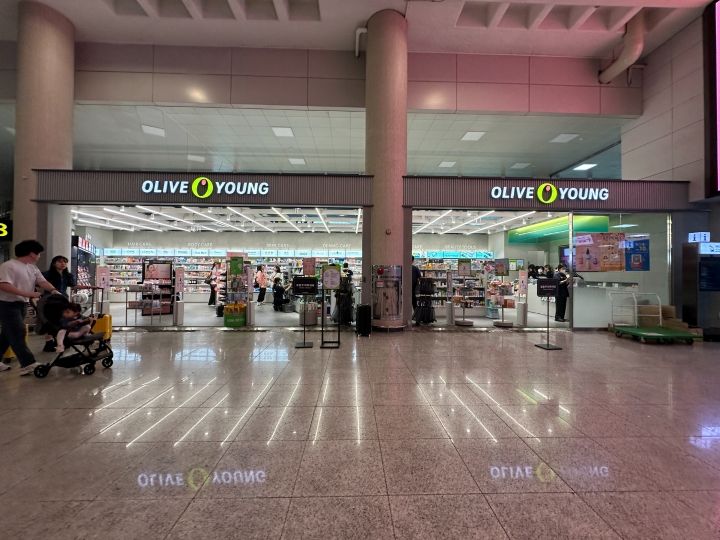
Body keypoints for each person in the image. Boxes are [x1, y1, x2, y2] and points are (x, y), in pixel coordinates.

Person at [0, 240, 61, 375]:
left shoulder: (32, 267)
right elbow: (3, 285)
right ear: (32, 253)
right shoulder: (8, 266)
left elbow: (42, 281)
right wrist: (28, 293)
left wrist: (53, 290)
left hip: (21, 304)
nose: (39, 256)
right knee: (18, 331)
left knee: (7, 334)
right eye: (38, 253)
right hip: (6, 304)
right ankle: (27, 363)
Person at [42, 255, 77, 351]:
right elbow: (38, 283)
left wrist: (91, 287)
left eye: (65, 262)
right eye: (60, 261)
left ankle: (62, 341)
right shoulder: (47, 274)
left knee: (64, 321)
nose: (63, 263)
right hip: (50, 301)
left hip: (63, 300)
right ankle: (49, 343)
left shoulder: (67, 275)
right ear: (54, 263)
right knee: (51, 321)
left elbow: (74, 286)